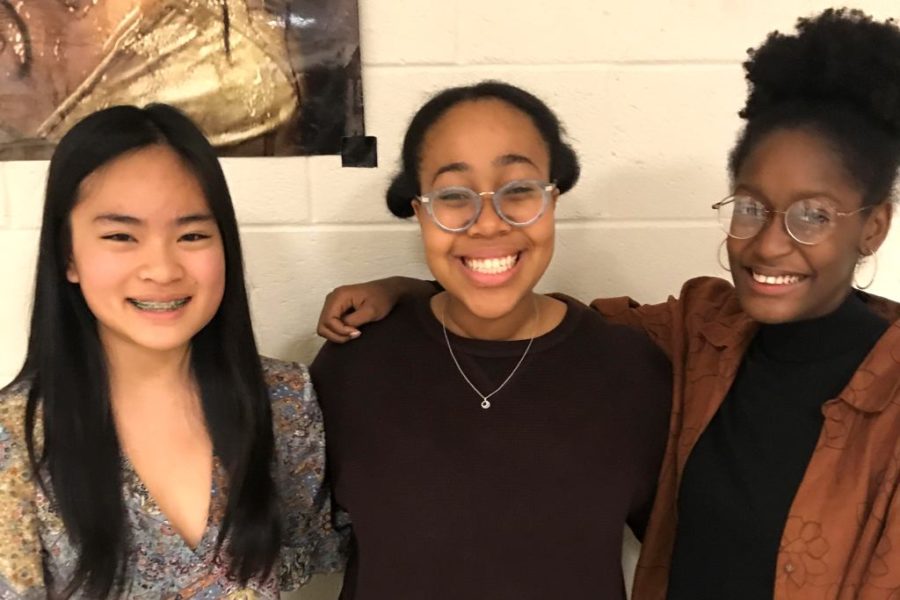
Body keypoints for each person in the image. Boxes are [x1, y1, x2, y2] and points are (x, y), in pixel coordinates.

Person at [317, 9, 900, 600]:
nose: (772, 243)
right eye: (751, 207)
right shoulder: (699, 335)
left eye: (814, 216)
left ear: (874, 226)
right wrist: (415, 289)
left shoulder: (646, 369)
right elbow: (521, 317)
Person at [310, 81, 671, 600]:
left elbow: (685, 551)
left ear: (554, 197)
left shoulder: (630, 371)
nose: (487, 223)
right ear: (419, 211)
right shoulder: (356, 363)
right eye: (453, 196)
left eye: (518, 189)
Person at [0, 104, 343, 598]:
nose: (161, 269)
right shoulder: (16, 440)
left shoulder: (285, 402)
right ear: (68, 255)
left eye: (192, 235)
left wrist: (408, 291)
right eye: (121, 236)